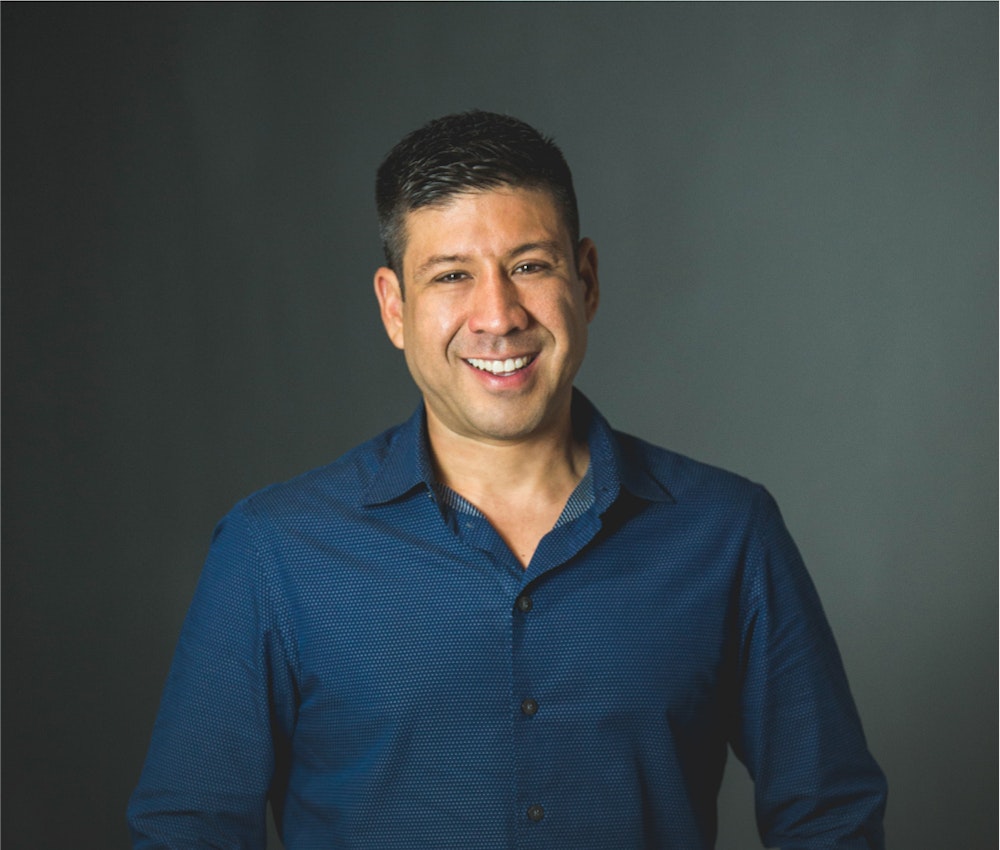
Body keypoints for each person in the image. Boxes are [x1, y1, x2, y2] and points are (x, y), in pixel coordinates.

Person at [128, 110, 887, 849]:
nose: (497, 315)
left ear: (585, 280)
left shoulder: (728, 532)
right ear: (394, 308)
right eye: (452, 275)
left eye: (529, 266)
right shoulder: (273, 551)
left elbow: (829, 821)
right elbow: (188, 832)